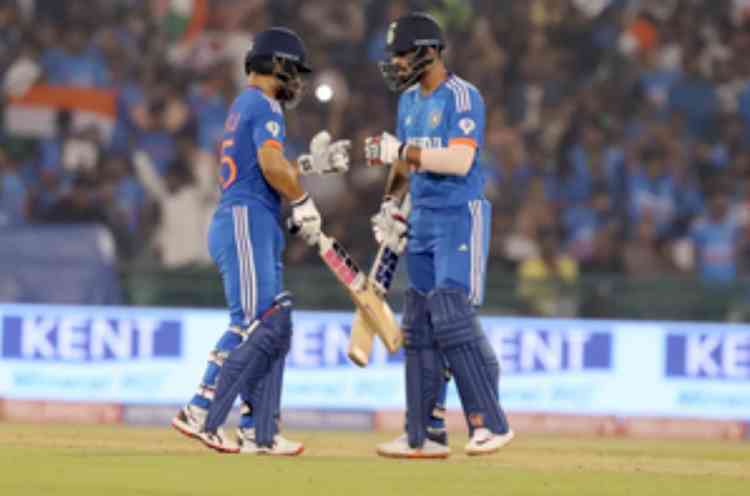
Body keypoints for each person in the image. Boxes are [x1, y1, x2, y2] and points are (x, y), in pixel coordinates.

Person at [171, 27, 351, 455]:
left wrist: (308, 164)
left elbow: (264, 165)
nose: (297, 81)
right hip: (246, 218)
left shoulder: (248, 104)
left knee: (268, 325)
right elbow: (270, 166)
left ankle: (259, 430)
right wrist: (303, 198)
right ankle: (199, 410)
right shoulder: (264, 104)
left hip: (252, 216)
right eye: (294, 70)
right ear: (277, 64)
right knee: (253, 324)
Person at [364, 13, 513, 458]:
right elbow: (404, 166)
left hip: (459, 214)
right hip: (424, 216)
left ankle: (491, 423)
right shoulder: (408, 100)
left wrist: (402, 151)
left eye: (403, 53)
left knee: (450, 312)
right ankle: (423, 434)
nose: (396, 62)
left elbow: (459, 161)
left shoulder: (463, 97)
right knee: (419, 325)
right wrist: (391, 204)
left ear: (429, 50)